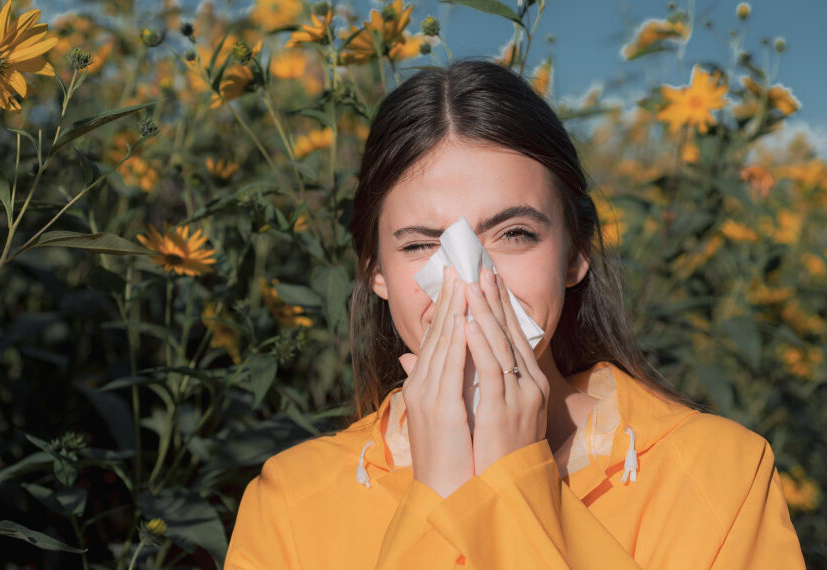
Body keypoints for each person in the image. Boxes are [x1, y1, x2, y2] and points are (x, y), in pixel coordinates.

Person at [223, 59, 806, 569]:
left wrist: (516, 482)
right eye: (422, 245)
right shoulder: (290, 503)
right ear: (376, 272)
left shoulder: (722, 472)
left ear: (576, 254)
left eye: (514, 233)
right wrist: (444, 487)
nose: (469, 279)